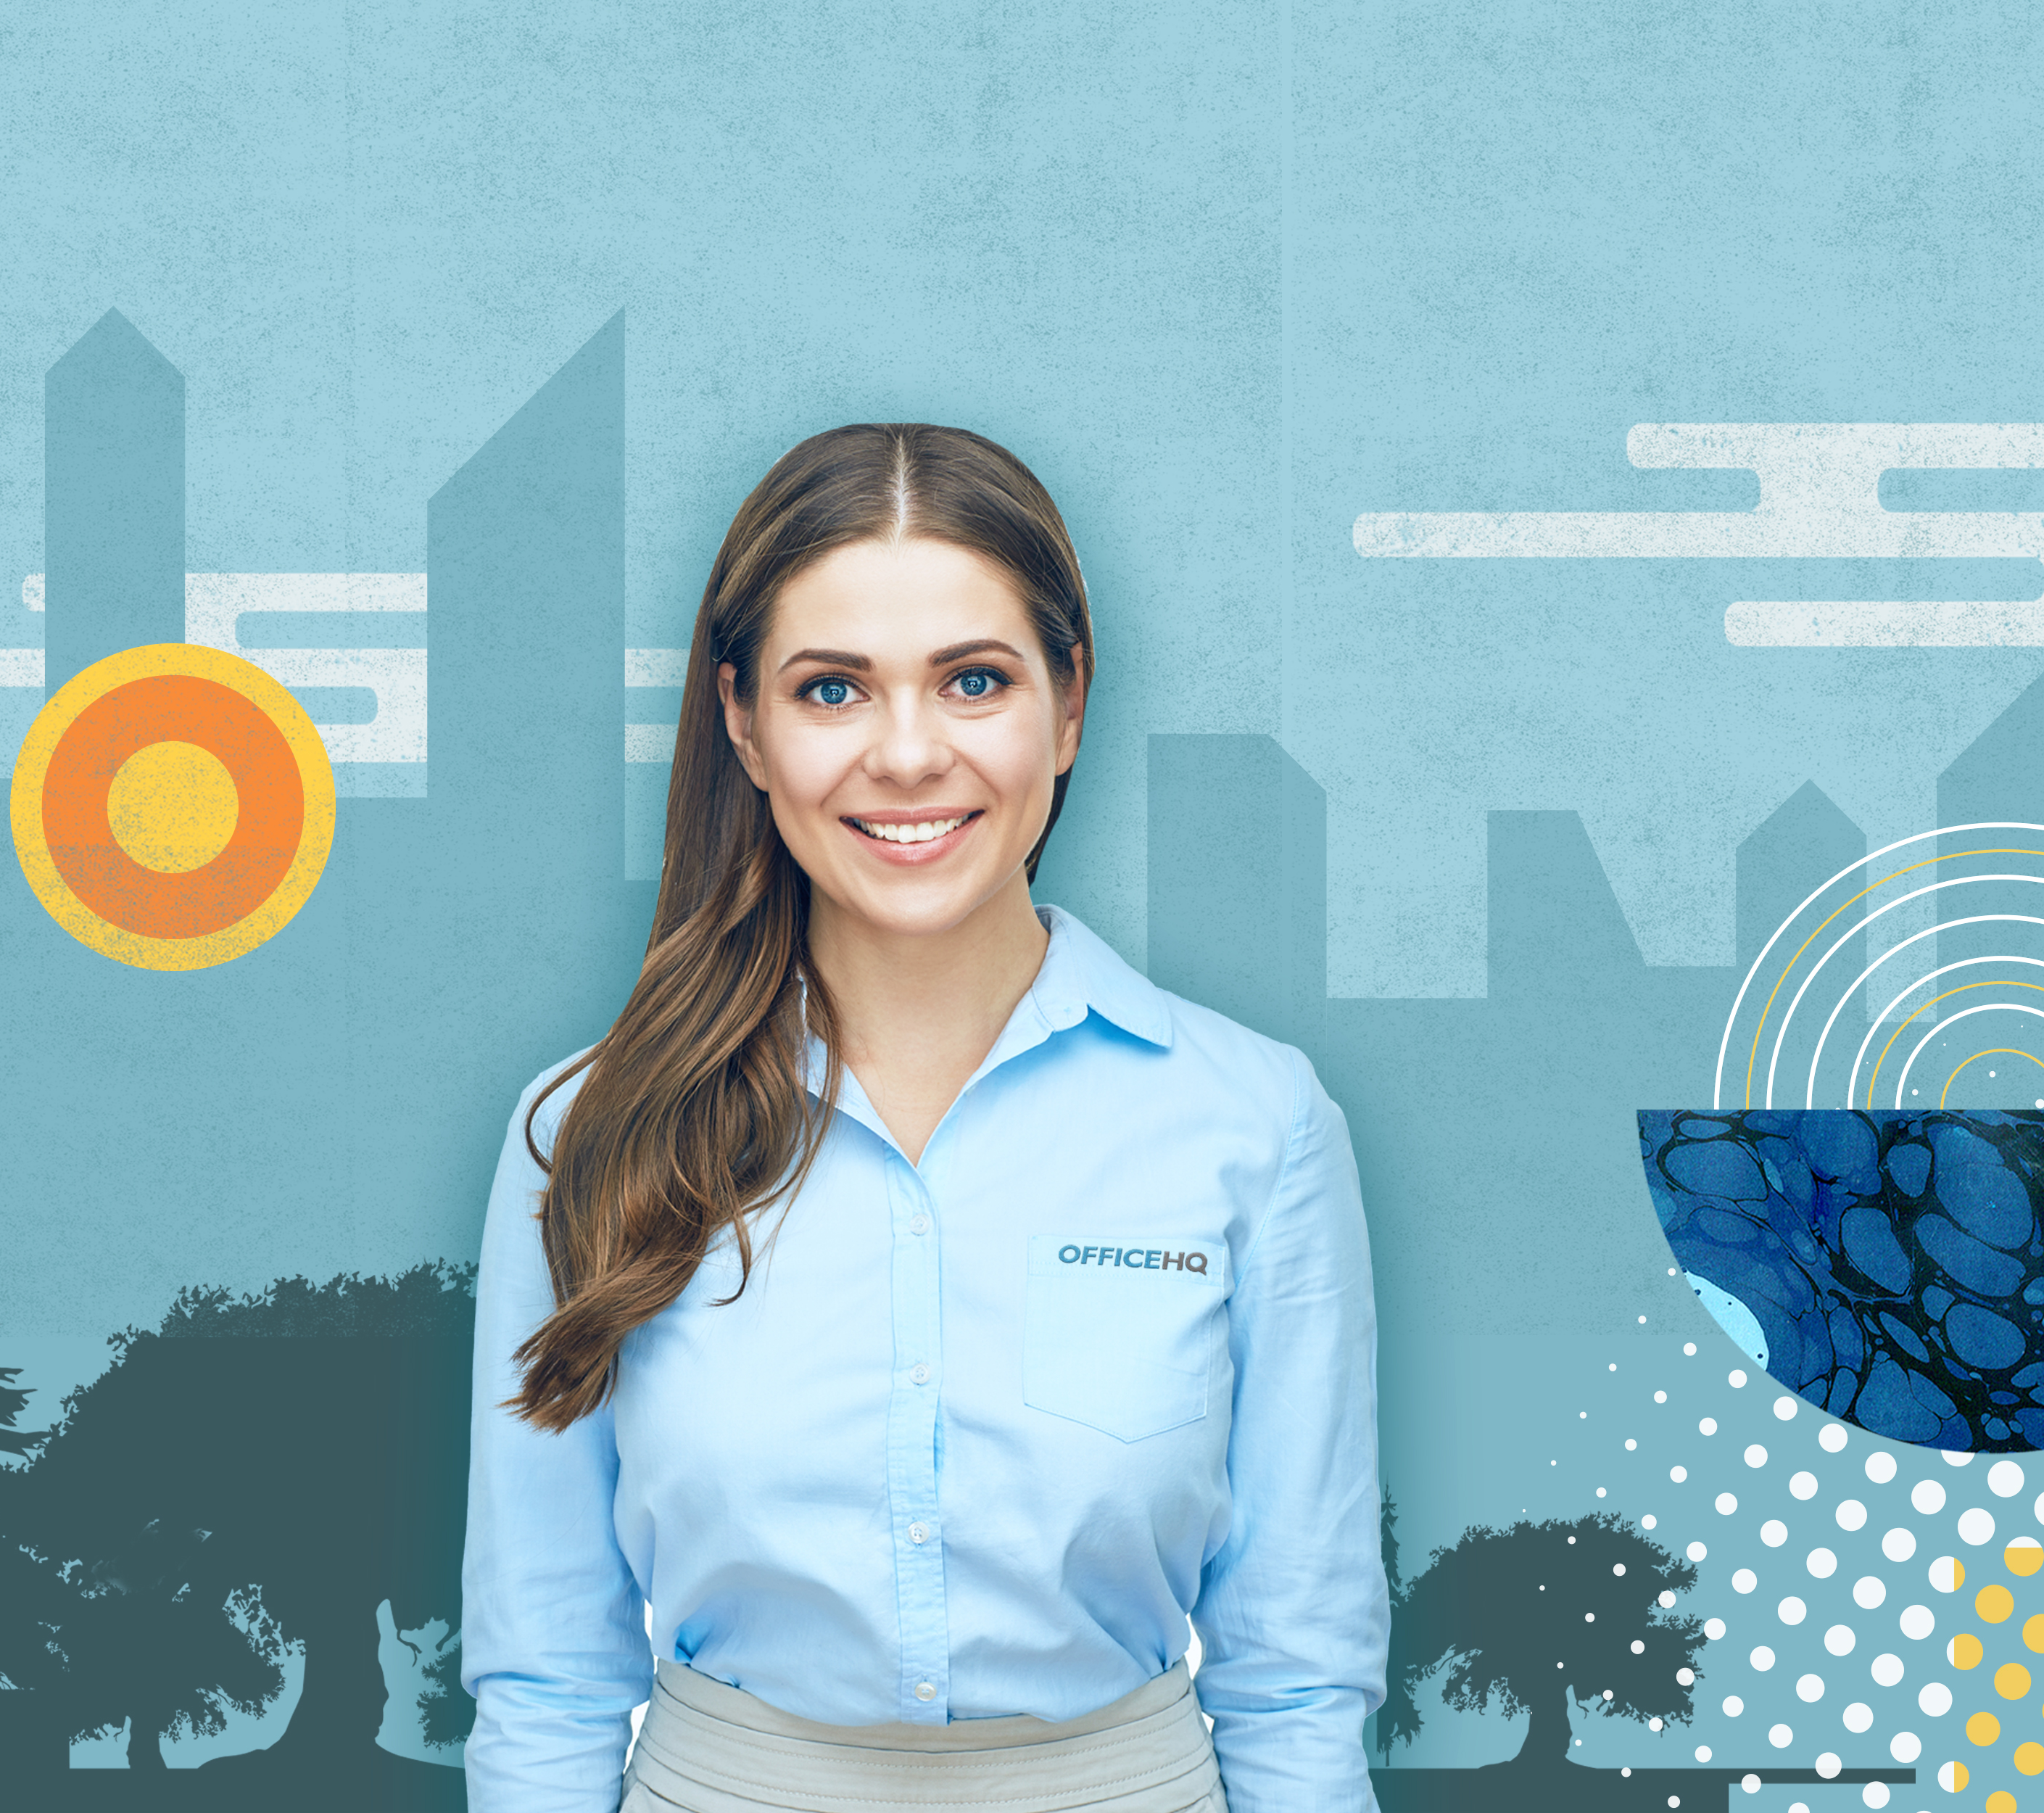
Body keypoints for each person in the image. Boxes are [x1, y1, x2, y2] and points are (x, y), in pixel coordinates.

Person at [461, 422, 1386, 1812]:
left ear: (1068, 707)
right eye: (832, 689)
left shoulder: (1256, 1125)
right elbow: (546, 1675)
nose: (906, 754)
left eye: (973, 680)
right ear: (742, 722)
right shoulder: (585, 1130)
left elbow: (1298, 1673)